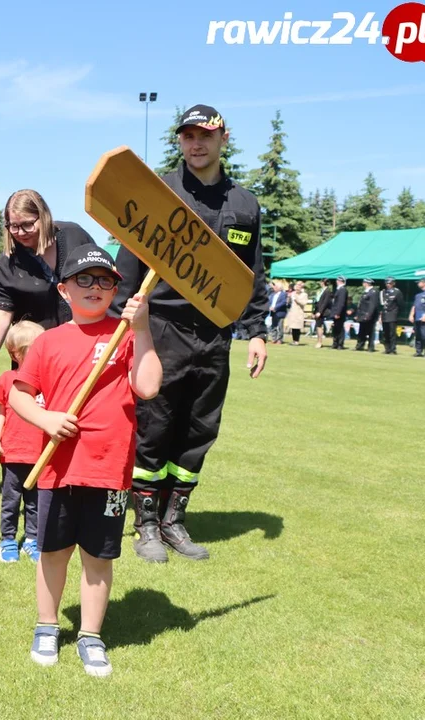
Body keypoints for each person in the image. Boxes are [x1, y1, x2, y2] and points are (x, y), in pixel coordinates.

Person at [113, 104, 268, 564]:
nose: (195, 144)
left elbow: (252, 274)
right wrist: (124, 322)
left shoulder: (244, 204)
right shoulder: (160, 193)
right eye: (187, 136)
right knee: (154, 427)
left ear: (223, 139)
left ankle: (173, 519)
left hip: (216, 334)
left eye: (204, 136)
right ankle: (144, 525)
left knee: (199, 430)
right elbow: (128, 263)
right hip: (162, 327)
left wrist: (256, 330)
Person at [9, 245, 161, 676]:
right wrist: (46, 417)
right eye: (84, 280)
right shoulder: (48, 342)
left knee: (99, 557)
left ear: (117, 287)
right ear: (63, 289)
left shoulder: (128, 336)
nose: (95, 288)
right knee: (53, 551)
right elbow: (19, 394)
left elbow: (148, 386)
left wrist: (144, 329)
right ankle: (46, 625)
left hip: (108, 469)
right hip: (57, 468)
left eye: (105, 280)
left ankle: (90, 634)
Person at [0, 190, 96, 395]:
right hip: (36, 357)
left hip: (85, 350)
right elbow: (2, 311)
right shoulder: (9, 263)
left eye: (27, 224)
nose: (21, 232)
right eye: (14, 226)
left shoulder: (74, 237)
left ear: (44, 216)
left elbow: (102, 277)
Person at [0, 320, 45, 563]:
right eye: (35, 350)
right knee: (11, 500)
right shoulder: (7, 379)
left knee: (35, 502)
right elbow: (0, 411)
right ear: (16, 353)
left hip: (40, 455)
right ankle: (8, 540)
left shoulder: (48, 381)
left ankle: (32, 539)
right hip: (13, 454)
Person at [410, 278, 425, 358]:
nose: (418, 284)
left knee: (424, 335)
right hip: (417, 317)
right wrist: (411, 315)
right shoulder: (418, 295)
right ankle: (418, 351)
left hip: (424, 318)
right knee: (418, 335)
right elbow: (414, 306)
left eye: (419, 282)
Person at [354, 278, 379, 352]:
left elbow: (373, 305)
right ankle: (359, 345)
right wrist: (358, 315)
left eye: (364, 282)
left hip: (369, 315)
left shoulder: (373, 292)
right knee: (362, 331)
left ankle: (370, 347)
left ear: (367, 283)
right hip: (362, 314)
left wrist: (368, 315)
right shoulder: (365, 292)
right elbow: (361, 305)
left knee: (371, 332)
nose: (363, 284)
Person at [380, 277, 404, 354]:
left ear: (393, 283)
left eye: (390, 283)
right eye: (387, 283)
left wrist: (396, 314)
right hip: (385, 315)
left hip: (392, 315)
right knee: (385, 333)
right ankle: (387, 348)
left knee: (392, 333)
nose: (388, 285)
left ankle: (393, 349)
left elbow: (400, 304)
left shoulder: (397, 292)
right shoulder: (383, 292)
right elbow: (381, 305)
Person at [285, 281, 308, 345]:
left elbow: (304, 303)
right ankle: (294, 340)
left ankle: (297, 341)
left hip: (299, 313)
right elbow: (289, 302)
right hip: (293, 312)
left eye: (299, 286)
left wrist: (297, 299)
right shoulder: (293, 293)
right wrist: (288, 298)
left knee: (297, 327)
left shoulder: (304, 295)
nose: (297, 288)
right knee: (293, 327)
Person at [313, 278, 333, 349]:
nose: (320, 283)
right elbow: (317, 302)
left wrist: (320, 312)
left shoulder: (327, 291)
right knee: (318, 326)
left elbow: (325, 303)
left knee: (319, 326)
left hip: (322, 311)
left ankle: (320, 342)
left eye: (321, 282)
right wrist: (314, 311)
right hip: (318, 310)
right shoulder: (320, 291)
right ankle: (318, 341)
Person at [330, 276, 349, 350]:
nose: (336, 281)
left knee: (340, 329)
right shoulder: (339, 289)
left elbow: (341, 303)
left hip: (339, 313)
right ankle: (335, 343)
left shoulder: (342, 290)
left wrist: (338, 313)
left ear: (340, 281)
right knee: (336, 328)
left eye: (337, 280)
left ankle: (340, 344)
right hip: (336, 312)